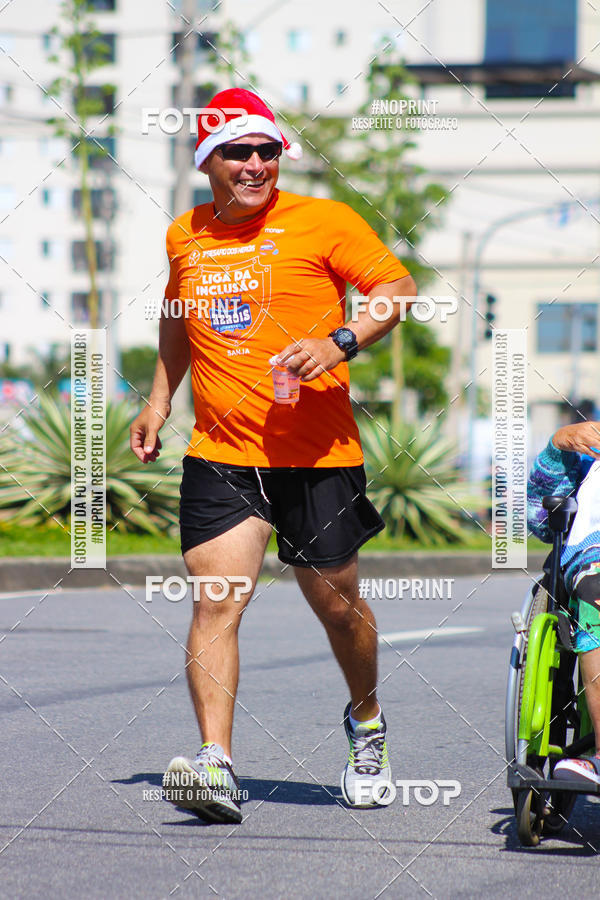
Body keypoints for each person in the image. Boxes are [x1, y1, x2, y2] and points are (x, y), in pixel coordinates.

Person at [130, 87, 417, 824]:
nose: (256, 164)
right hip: (222, 454)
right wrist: (160, 402)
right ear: (208, 163)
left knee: (338, 608)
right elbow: (176, 319)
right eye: (238, 152)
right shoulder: (184, 235)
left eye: (267, 150)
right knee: (217, 600)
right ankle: (216, 763)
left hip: (319, 453)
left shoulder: (323, 219)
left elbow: (396, 285)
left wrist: (339, 341)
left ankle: (367, 723)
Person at [527, 420, 600, 783]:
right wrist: (557, 447)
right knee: (596, 592)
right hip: (595, 559)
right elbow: (539, 519)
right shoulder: (593, 449)